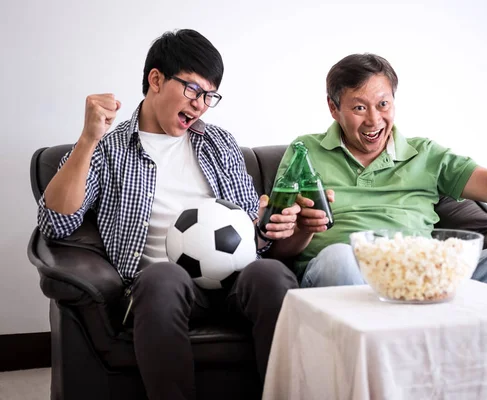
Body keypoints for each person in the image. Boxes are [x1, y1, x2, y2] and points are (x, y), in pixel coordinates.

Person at [37, 29, 300, 400]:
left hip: (233, 281)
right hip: (160, 287)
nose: (199, 105)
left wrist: (267, 225)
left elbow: (250, 232)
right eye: (192, 89)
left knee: (272, 274)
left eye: (209, 96)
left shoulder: (219, 142)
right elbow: (55, 222)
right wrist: (87, 139)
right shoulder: (109, 149)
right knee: (162, 278)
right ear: (156, 79)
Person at [272, 53, 487, 297]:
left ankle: (423, 327)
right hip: (345, 275)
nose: (374, 120)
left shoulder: (427, 154)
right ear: (333, 108)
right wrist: (303, 229)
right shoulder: (305, 152)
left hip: (422, 276)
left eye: (383, 104)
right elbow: (279, 247)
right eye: (359, 108)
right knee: (339, 257)